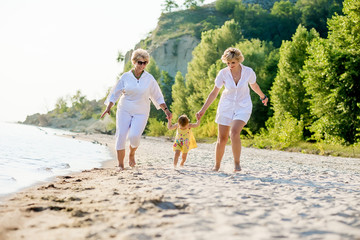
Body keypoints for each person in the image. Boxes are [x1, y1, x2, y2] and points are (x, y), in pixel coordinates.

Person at [196, 47, 268, 172]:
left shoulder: (248, 72)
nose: (230, 65)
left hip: (243, 106)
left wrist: (263, 96)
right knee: (222, 138)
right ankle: (217, 165)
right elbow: (214, 93)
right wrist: (203, 110)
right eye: (228, 63)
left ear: (239, 60)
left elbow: (254, 85)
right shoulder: (223, 73)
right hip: (226, 106)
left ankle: (237, 164)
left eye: (233, 62)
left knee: (234, 133)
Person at [101, 48, 172, 170]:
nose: (142, 65)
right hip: (124, 109)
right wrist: (109, 106)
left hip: (141, 111)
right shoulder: (126, 77)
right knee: (121, 135)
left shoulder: (149, 79)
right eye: (140, 62)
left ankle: (132, 153)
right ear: (134, 62)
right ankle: (120, 165)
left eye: (145, 63)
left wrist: (166, 110)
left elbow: (157, 95)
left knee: (134, 136)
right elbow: (115, 93)